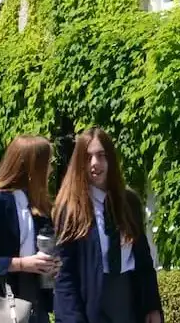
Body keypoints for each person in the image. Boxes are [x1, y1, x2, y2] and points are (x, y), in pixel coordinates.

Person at [50, 127, 162, 323]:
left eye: (101, 156)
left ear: (110, 159)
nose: (95, 163)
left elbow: (144, 260)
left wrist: (153, 306)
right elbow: (64, 274)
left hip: (129, 299)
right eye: (88, 157)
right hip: (92, 302)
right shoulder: (71, 209)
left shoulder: (129, 203)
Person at [0, 135, 60, 317]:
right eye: (48, 163)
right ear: (33, 168)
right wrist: (22, 264)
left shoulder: (41, 208)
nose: (51, 169)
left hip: (34, 303)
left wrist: (53, 265)